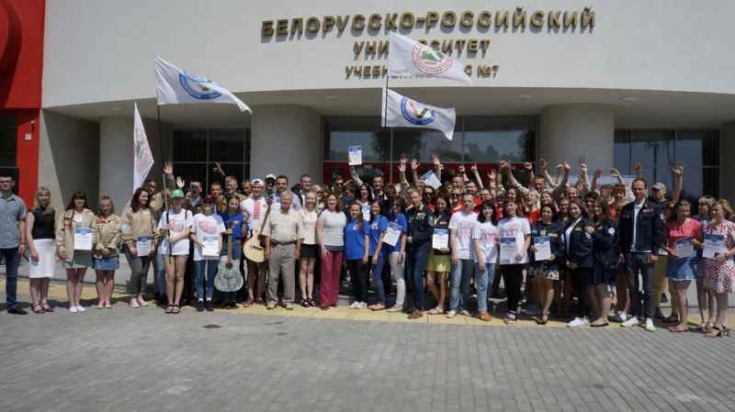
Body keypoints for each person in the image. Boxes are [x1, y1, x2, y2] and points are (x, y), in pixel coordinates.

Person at [618, 178, 665, 332]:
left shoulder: (654, 208)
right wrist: (621, 251)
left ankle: (649, 317)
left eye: (640, 189)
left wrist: (655, 252)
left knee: (648, 288)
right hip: (630, 254)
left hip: (647, 253)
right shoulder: (626, 208)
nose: (637, 191)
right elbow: (621, 232)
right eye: (635, 189)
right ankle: (635, 315)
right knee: (632, 287)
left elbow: (659, 232)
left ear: (646, 190)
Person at [663, 199, 702, 333]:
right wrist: (669, 250)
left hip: (688, 260)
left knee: (681, 292)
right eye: (682, 211)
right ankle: (682, 320)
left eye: (687, 211)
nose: (685, 213)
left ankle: (684, 323)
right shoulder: (669, 223)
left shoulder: (696, 224)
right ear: (676, 211)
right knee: (677, 291)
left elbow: (702, 243)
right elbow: (661, 241)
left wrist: (696, 242)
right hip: (673, 259)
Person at [56, 191, 96, 313]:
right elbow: (60, 232)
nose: (79, 201)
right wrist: (61, 247)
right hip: (69, 249)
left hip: (84, 250)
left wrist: (91, 243)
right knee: (70, 278)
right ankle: (71, 303)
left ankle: (78, 302)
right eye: (77, 198)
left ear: (85, 200)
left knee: (80, 278)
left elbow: (94, 231)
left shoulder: (90, 214)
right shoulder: (66, 214)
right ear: (73, 200)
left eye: (81, 198)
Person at [701, 200, 735, 338]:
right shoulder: (710, 226)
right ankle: (722, 323)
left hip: (723, 265)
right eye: (712, 210)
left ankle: (718, 326)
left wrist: (726, 254)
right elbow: (709, 243)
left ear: (724, 211)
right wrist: (704, 245)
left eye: (716, 210)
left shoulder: (730, 226)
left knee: (721, 295)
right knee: (716, 293)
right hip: (711, 264)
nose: (713, 212)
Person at [263, 191, 302, 310]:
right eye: (284, 199)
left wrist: (297, 249)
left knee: (288, 275)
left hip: (290, 247)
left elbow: (300, 234)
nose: (286, 201)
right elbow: (267, 233)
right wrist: (267, 249)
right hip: (275, 247)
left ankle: (288, 300)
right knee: (273, 275)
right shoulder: (273, 214)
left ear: (291, 201)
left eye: (288, 199)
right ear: (280, 200)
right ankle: (272, 300)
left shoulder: (296, 214)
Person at [122, 188, 158, 308]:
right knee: (137, 270)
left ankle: (140, 295)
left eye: (147, 197)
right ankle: (132, 296)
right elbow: (125, 228)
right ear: (137, 196)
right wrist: (130, 246)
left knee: (144, 272)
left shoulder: (150, 211)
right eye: (143, 196)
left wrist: (154, 245)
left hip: (147, 245)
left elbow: (154, 229)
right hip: (133, 245)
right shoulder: (128, 211)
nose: (145, 198)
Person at [159, 189, 193, 314]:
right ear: (171, 200)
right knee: (170, 276)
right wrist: (164, 230)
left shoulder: (187, 213)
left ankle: (177, 302)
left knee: (179, 276)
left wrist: (176, 238)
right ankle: (170, 302)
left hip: (181, 247)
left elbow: (188, 231)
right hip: (167, 248)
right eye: (175, 199)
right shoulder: (166, 214)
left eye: (179, 199)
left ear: (182, 200)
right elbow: (161, 232)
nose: (177, 201)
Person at [497, 199, 531, 324]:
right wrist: (497, 241)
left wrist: (522, 252)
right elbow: (498, 238)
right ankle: (510, 308)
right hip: (505, 257)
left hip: (518, 257)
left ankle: (513, 311)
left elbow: (528, 238)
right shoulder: (501, 222)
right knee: (508, 284)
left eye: (511, 205)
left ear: (516, 206)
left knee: (516, 284)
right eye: (506, 205)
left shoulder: (523, 220)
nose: (509, 207)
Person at [528, 204, 563, 325]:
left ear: (553, 214)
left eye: (549, 212)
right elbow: (529, 241)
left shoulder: (558, 227)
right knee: (539, 285)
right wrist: (531, 247)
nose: (546, 214)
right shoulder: (535, 225)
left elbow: (562, 246)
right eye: (544, 211)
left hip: (550, 262)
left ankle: (545, 312)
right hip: (537, 262)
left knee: (548, 285)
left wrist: (555, 255)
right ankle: (542, 308)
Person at [563, 200, 594, 328]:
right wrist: (567, 259)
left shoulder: (586, 223)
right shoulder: (570, 223)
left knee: (582, 290)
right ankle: (582, 314)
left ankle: (583, 316)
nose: (573, 211)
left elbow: (586, 246)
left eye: (575, 208)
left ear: (581, 209)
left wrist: (576, 261)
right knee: (577, 289)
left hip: (583, 263)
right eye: (571, 209)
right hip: (572, 262)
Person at [191, 196, 225, 312]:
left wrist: (219, 247)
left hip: (213, 251)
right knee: (199, 276)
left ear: (213, 204)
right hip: (199, 251)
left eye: (210, 202)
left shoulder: (218, 218)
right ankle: (200, 299)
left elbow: (220, 235)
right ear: (202, 203)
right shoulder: (196, 217)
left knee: (211, 276)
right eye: (205, 202)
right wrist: (198, 243)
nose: (207, 204)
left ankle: (209, 298)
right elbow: (192, 233)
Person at [447, 194, 478, 318]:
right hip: (458, 253)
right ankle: (453, 308)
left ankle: (463, 307)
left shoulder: (477, 217)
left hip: (471, 254)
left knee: (466, 283)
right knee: (455, 282)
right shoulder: (456, 215)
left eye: (469, 201)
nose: (467, 203)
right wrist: (454, 252)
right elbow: (452, 235)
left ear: (474, 203)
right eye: (465, 201)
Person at [25, 187, 55, 314]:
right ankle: (36, 303)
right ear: (37, 197)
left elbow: (54, 229)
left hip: (50, 246)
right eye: (41, 195)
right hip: (37, 246)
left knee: (46, 276)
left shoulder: (52, 212)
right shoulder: (32, 212)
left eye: (46, 195)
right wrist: (32, 250)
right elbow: (28, 232)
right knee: (36, 276)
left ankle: (44, 301)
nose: (44, 197)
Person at [589, 199, 618, 327]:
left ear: (604, 208)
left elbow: (608, 241)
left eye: (598, 207)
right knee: (597, 287)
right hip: (596, 259)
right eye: (594, 206)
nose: (595, 209)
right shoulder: (596, 222)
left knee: (602, 288)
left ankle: (604, 317)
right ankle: (599, 315)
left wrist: (593, 233)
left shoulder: (609, 223)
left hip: (605, 260)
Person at [240, 178, 269, 305]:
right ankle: (250, 296)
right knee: (251, 270)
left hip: (263, 239)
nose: (256, 189)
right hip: (250, 239)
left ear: (262, 189)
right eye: (254, 187)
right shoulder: (244, 203)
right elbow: (243, 221)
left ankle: (259, 295)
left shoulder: (267, 202)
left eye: (259, 187)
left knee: (263, 270)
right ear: (251, 188)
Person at [317, 193, 346, 310]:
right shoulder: (323, 214)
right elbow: (319, 231)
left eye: (334, 200)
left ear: (337, 201)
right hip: (327, 248)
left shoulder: (342, 214)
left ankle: (333, 300)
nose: (332, 202)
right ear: (326, 201)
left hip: (339, 248)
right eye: (330, 200)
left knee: (336, 275)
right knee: (326, 275)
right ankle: (325, 301)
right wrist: (322, 247)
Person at [406, 190, 433, 319]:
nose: (414, 200)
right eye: (412, 198)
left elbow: (430, 231)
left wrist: (415, 238)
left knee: (417, 275)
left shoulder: (427, 212)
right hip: (410, 248)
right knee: (410, 276)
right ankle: (412, 304)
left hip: (422, 247)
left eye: (416, 197)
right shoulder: (409, 212)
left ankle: (419, 307)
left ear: (420, 197)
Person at [92, 196, 121, 309]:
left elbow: (118, 234)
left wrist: (110, 248)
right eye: (103, 206)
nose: (105, 208)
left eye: (108, 205)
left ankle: (107, 300)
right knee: (99, 276)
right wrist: (101, 248)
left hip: (112, 252)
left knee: (110, 276)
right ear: (100, 207)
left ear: (111, 206)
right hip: (98, 252)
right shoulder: (95, 219)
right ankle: (101, 299)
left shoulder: (117, 219)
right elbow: (94, 234)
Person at [472, 201, 499, 322]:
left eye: (490, 208)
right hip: (482, 258)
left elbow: (498, 242)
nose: (487, 211)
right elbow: (476, 242)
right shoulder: (478, 224)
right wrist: (480, 260)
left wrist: (499, 242)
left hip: (492, 258)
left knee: (489, 283)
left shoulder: (496, 224)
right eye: (485, 209)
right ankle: (482, 310)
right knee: (482, 285)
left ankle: (484, 307)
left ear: (493, 210)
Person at [694, 195, 717, 331]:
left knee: (711, 290)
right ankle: (703, 319)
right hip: (698, 257)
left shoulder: (716, 221)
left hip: (712, 258)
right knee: (700, 288)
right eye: (699, 204)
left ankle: (712, 319)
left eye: (703, 205)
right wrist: (696, 243)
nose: (700, 207)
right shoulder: (695, 220)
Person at [381, 198, 408, 312]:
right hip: (390, 250)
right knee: (397, 277)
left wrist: (401, 252)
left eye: (398, 205)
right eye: (394, 205)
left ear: (401, 206)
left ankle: (399, 304)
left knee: (399, 278)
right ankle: (402, 302)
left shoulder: (401, 217)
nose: (395, 207)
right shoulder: (392, 217)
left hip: (397, 250)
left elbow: (404, 236)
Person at [220, 195, 247, 309]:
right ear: (227, 204)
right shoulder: (222, 216)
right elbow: (218, 230)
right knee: (224, 269)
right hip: (225, 243)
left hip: (236, 243)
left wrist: (244, 222)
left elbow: (243, 234)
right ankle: (225, 298)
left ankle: (233, 298)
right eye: (232, 203)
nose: (234, 206)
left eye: (236, 204)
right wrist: (225, 231)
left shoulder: (240, 216)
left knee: (235, 270)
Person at [426, 196, 451, 315]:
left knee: (442, 281)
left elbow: (453, 235)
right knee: (429, 281)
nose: (440, 206)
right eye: (438, 204)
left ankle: (440, 306)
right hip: (431, 252)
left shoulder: (450, 217)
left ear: (447, 204)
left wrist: (450, 249)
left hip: (443, 253)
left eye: (442, 204)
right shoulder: (432, 216)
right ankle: (442, 302)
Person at [344, 202, 370, 309]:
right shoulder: (348, 223)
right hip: (350, 255)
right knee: (353, 279)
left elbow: (366, 239)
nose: (354, 212)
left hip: (360, 255)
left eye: (356, 210)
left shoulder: (364, 223)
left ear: (360, 212)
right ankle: (357, 299)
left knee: (361, 279)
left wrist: (366, 254)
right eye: (352, 210)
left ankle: (363, 300)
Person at [367, 200, 389, 310]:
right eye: (373, 206)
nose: (374, 209)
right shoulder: (372, 220)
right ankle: (378, 300)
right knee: (375, 277)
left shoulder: (383, 219)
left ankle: (382, 302)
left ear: (380, 208)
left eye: (376, 207)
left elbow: (382, 236)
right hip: (371, 252)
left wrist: (376, 254)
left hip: (379, 253)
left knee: (377, 277)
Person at [298, 190, 318, 307]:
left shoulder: (318, 212)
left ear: (315, 200)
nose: (310, 200)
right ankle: (303, 296)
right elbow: (298, 230)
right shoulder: (300, 212)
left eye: (312, 198)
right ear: (305, 200)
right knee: (302, 270)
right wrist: (298, 246)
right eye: (308, 198)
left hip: (314, 243)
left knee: (310, 270)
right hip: (304, 243)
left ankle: (310, 296)